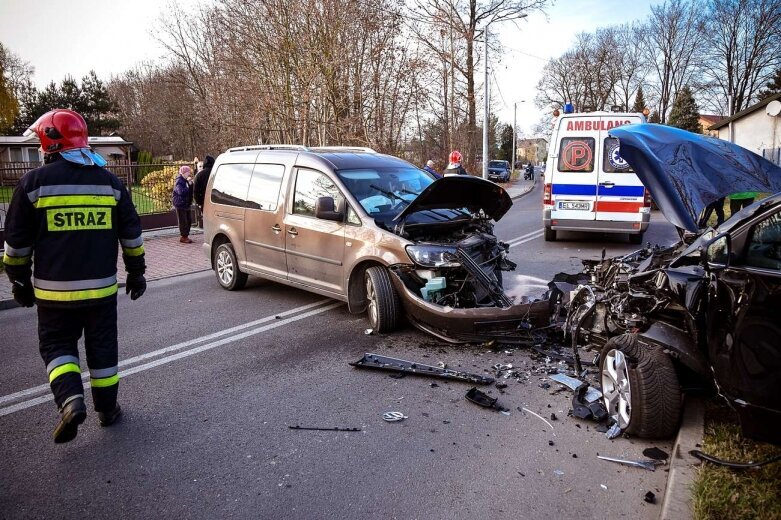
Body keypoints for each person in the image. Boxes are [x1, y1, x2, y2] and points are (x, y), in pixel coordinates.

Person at [2, 109, 146, 443]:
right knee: (103, 350)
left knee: (57, 346)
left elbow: (16, 245)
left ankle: (70, 399)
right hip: (100, 292)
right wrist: (137, 274)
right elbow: (132, 236)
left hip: (54, 296)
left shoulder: (32, 185)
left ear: (49, 142)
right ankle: (108, 411)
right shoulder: (110, 183)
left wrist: (18, 281)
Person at [173, 165, 194, 243]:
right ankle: (183, 236)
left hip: (186, 203)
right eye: (188, 172)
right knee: (183, 221)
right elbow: (180, 192)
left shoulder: (185, 181)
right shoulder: (179, 181)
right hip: (180, 204)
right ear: (183, 173)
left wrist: (191, 184)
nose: (189, 173)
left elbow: (190, 191)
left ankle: (186, 235)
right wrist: (188, 185)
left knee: (189, 220)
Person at [193, 155, 215, 226]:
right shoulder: (216, 173)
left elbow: (195, 191)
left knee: (207, 221)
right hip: (216, 200)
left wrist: (199, 202)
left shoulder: (199, 175)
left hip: (204, 201)